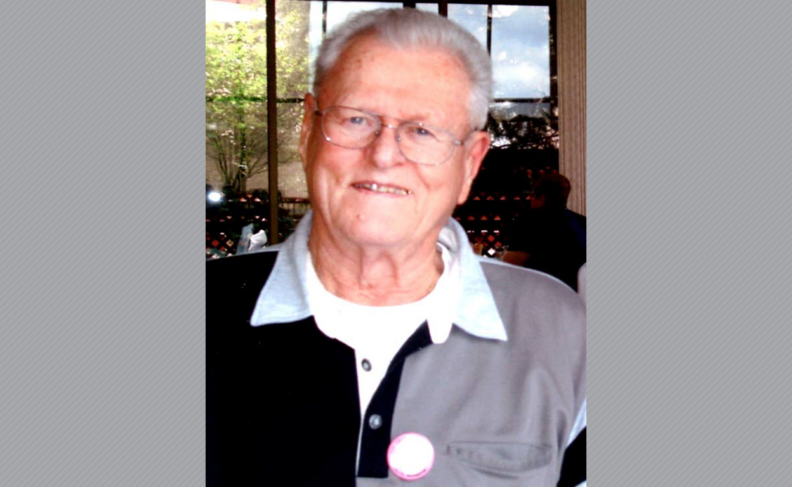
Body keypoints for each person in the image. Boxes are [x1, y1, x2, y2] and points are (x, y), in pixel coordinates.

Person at [207, 8, 585, 487]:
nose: (384, 155)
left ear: (470, 164)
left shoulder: (561, 330)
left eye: (422, 130)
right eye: (356, 119)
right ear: (307, 131)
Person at [504, 173, 587, 291]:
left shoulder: (530, 221)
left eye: (533, 195)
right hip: (576, 296)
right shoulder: (582, 222)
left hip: (538, 294)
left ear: (542, 198)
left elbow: (509, 266)